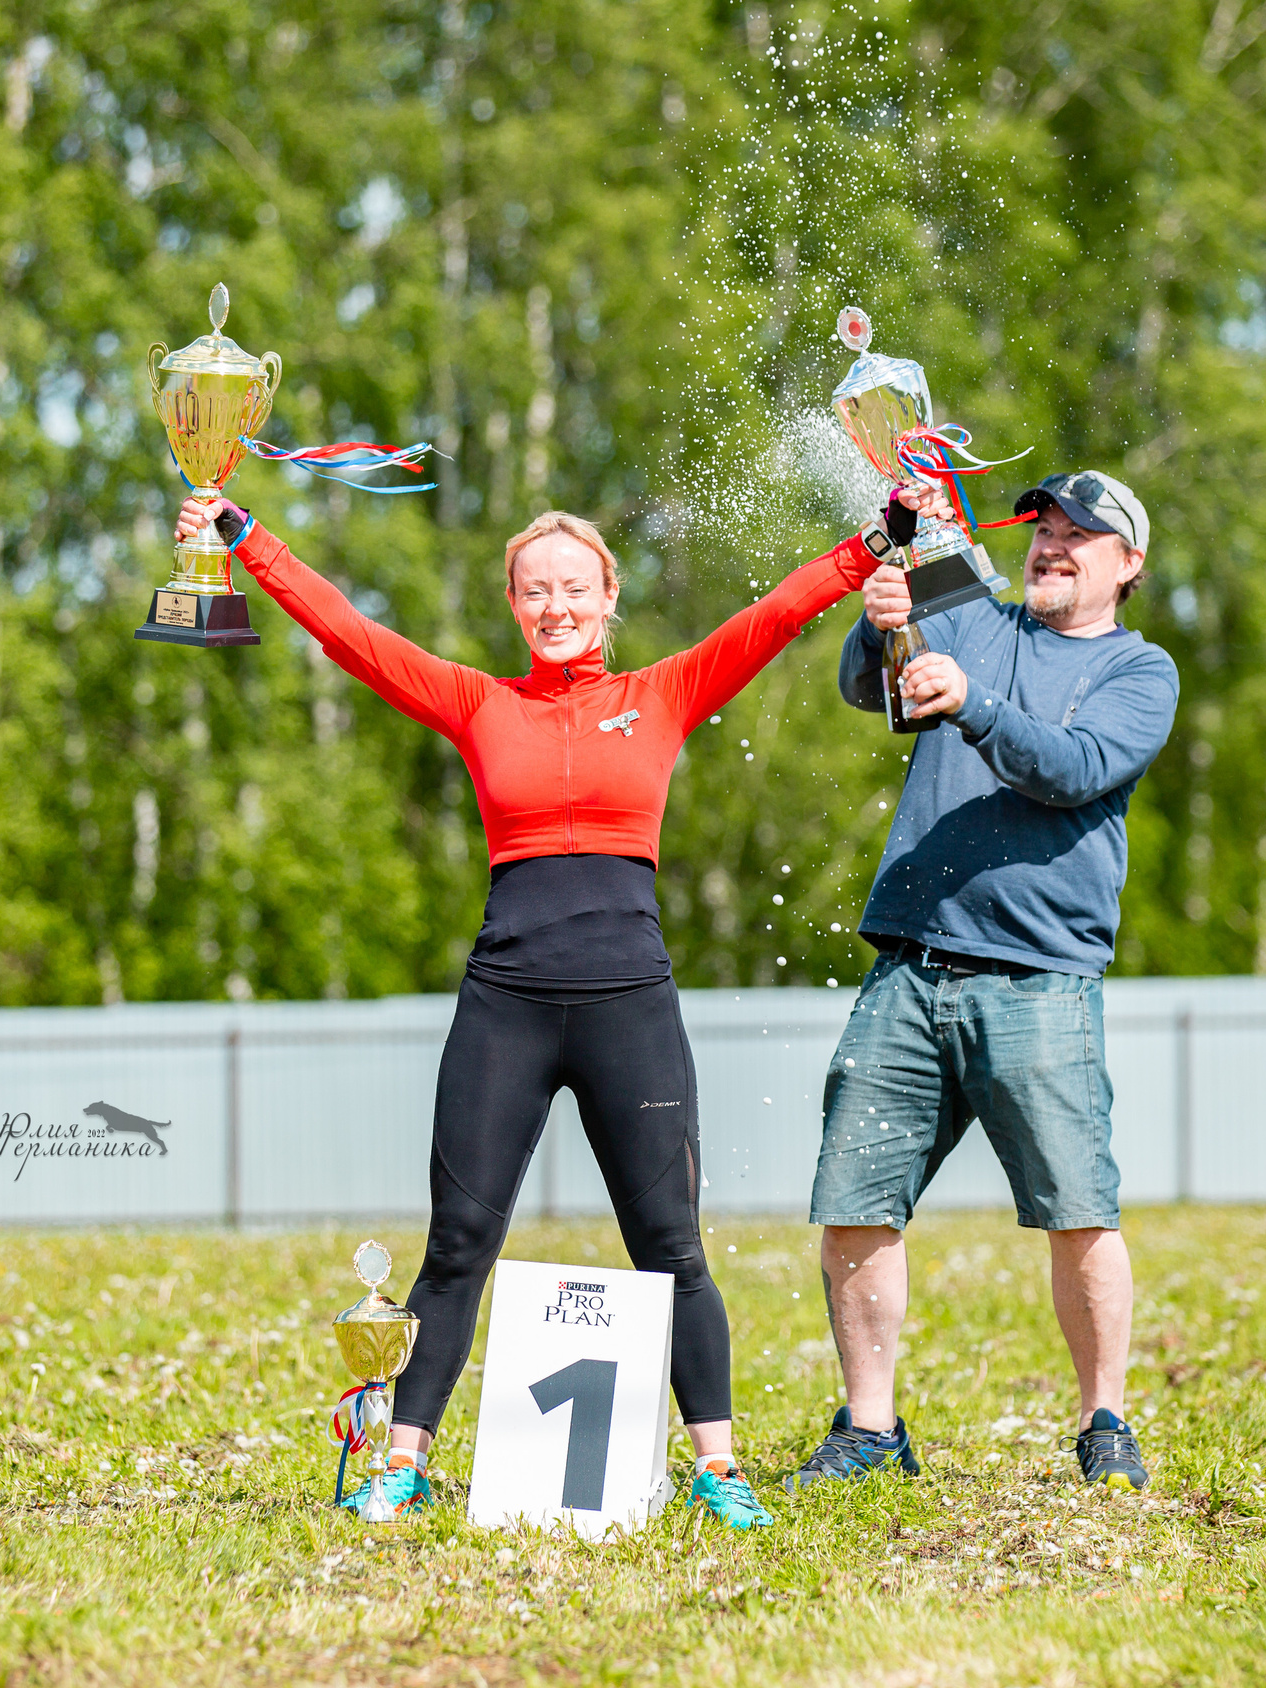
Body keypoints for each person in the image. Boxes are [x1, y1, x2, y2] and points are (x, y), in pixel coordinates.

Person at [173, 490, 878, 1528]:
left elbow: (774, 614)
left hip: (627, 1001)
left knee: (670, 1245)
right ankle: (403, 1463)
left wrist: (874, 543)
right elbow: (352, 634)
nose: (556, 607)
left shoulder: (665, 690)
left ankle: (718, 1469)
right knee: (457, 1241)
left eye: (573, 588)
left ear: (608, 597)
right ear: (512, 603)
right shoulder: (476, 703)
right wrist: (248, 539)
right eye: (535, 590)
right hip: (504, 998)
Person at [788, 469, 1177, 1495]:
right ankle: (870, 1428)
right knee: (855, 1199)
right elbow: (869, 686)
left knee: (1077, 1209)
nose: (1053, 545)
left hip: (1041, 978)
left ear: (1127, 564)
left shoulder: (1144, 672)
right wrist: (880, 624)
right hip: (910, 964)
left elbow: (1072, 767)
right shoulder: (972, 612)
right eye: (1045, 528)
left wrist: (975, 704)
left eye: (1081, 536)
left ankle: (1104, 1422)